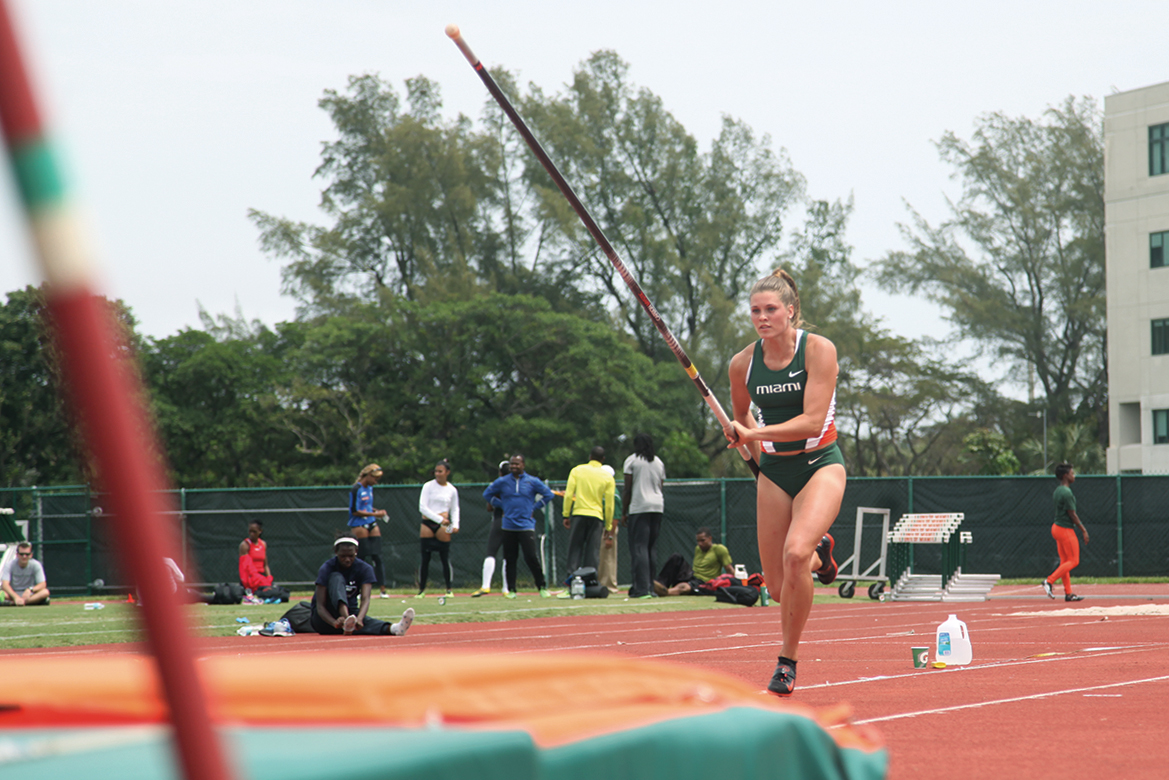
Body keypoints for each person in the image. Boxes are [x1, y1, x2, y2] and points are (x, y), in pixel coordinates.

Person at [724, 268, 842, 696]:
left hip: (820, 464)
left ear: (791, 311)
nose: (762, 317)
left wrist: (753, 434)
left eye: (771, 309)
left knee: (794, 554)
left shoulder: (818, 351)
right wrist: (741, 433)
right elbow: (742, 418)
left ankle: (787, 660)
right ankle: (821, 555)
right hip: (774, 474)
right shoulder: (742, 363)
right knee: (777, 588)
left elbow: (811, 420)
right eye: (755, 310)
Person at [482, 454, 554, 599]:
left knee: (531, 557)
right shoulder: (502, 481)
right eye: (512, 464)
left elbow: (548, 495)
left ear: (523, 465)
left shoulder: (532, 481)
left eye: (517, 464)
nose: (514, 466)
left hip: (526, 525)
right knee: (510, 558)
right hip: (508, 526)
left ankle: (541, 587)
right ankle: (511, 590)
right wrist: (500, 505)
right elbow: (487, 494)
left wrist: (536, 507)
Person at [311, 537, 413, 636]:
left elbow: (365, 599)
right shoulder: (327, 568)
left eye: (351, 556)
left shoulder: (365, 569)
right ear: (336, 553)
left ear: (356, 551)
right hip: (326, 619)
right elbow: (320, 606)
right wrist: (334, 622)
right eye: (343, 556)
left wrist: (359, 619)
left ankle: (394, 628)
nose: (347, 559)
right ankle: (348, 622)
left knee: (367, 622)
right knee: (336, 577)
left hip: (352, 614)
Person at [622, 433, 666, 598]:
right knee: (651, 548)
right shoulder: (658, 462)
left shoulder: (632, 460)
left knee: (639, 547)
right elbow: (661, 486)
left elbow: (627, 489)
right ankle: (649, 587)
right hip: (657, 506)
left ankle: (640, 589)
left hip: (639, 507)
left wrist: (624, 512)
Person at [561, 446, 615, 578]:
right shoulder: (607, 477)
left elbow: (568, 495)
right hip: (596, 516)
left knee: (575, 549)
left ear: (590, 457)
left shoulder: (577, 470)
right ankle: (589, 581)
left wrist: (566, 515)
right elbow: (609, 505)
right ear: (603, 459)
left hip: (579, 514)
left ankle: (572, 581)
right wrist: (608, 526)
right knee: (592, 551)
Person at [1043, 463, 1089, 602]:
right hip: (1065, 529)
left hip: (1056, 528)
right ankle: (1049, 581)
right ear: (1065, 476)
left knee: (1065, 562)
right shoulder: (1067, 492)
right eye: (1071, 473)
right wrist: (1083, 530)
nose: (1073, 475)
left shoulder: (1058, 490)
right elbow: (1072, 514)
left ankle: (1068, 593)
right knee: (1074, 560)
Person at [417, 459, 460, 598]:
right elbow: (422, 507)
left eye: (440, 471)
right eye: (436, 471)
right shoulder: (428, 486)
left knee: (445, 557)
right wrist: (439, 519)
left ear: (447, 472)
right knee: (425, 558)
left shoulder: (452, 489)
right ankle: (421, 590)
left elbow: (455, 508)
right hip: (428, 524)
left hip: (445, 526)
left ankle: (449, 589)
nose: (437, 474)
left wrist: (455, 524)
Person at [348, 463, 390, 597]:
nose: (376, 481)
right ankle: (359, 589)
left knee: (377, 556)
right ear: (368, 476)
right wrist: (374, 514)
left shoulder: (370, 489)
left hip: (371, 522)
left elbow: (367, 507)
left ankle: (382, 589)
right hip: (359, 524)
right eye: (375, 478)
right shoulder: (356, 489)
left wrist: (377, 512)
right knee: (361, 557)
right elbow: (355, 511)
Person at [654, 527, 736, 596]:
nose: (700, 544)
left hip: (704, 582)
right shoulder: (698, 549)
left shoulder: (719, 549)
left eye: (703, 540)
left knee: (684, 587)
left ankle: (666, 592)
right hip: (692, 576)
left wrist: (738, 583)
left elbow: (729, 569)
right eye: (698, 541)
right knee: (676, 557)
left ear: (710, 538)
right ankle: (659, 585)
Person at [472, 460, 511, 597]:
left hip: (499, 520)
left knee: (491, 553)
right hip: (512, 521)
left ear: (500, 472)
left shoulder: (496, 485)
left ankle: (486, 585)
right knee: (508, 556)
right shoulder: (517, 485)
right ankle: (507, 589)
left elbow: (489, 507)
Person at [596, 465, 622, 593]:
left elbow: (616, 517)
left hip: (608, 528)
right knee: (601, 557)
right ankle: (600, 583)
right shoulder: (601, 491)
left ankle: (610, 586)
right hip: (600, 527)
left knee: (609, 558)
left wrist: (610, 536)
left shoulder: (613, 493)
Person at [1, 542, 50, 606]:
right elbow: (5, 585)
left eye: (27, 554)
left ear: (31, 555)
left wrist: (30, 590)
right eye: (21, 554)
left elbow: (43, 584)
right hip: (12, 594)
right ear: (17, 555)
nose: (24, 556)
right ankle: (28, 602)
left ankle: (15, 603)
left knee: (45, 592)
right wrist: (16, 597)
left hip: (28, 595)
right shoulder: (9, 565)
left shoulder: (36, 565)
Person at [238, 520, 274, 591]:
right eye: (250, 531)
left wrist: (269, 577)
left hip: (262, 578)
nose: (251, 534)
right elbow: (244, 567)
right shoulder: (245, 545)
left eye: (254, 532)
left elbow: (265, 564)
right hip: (251, 579)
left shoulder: (263, 544)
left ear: (260, 531)